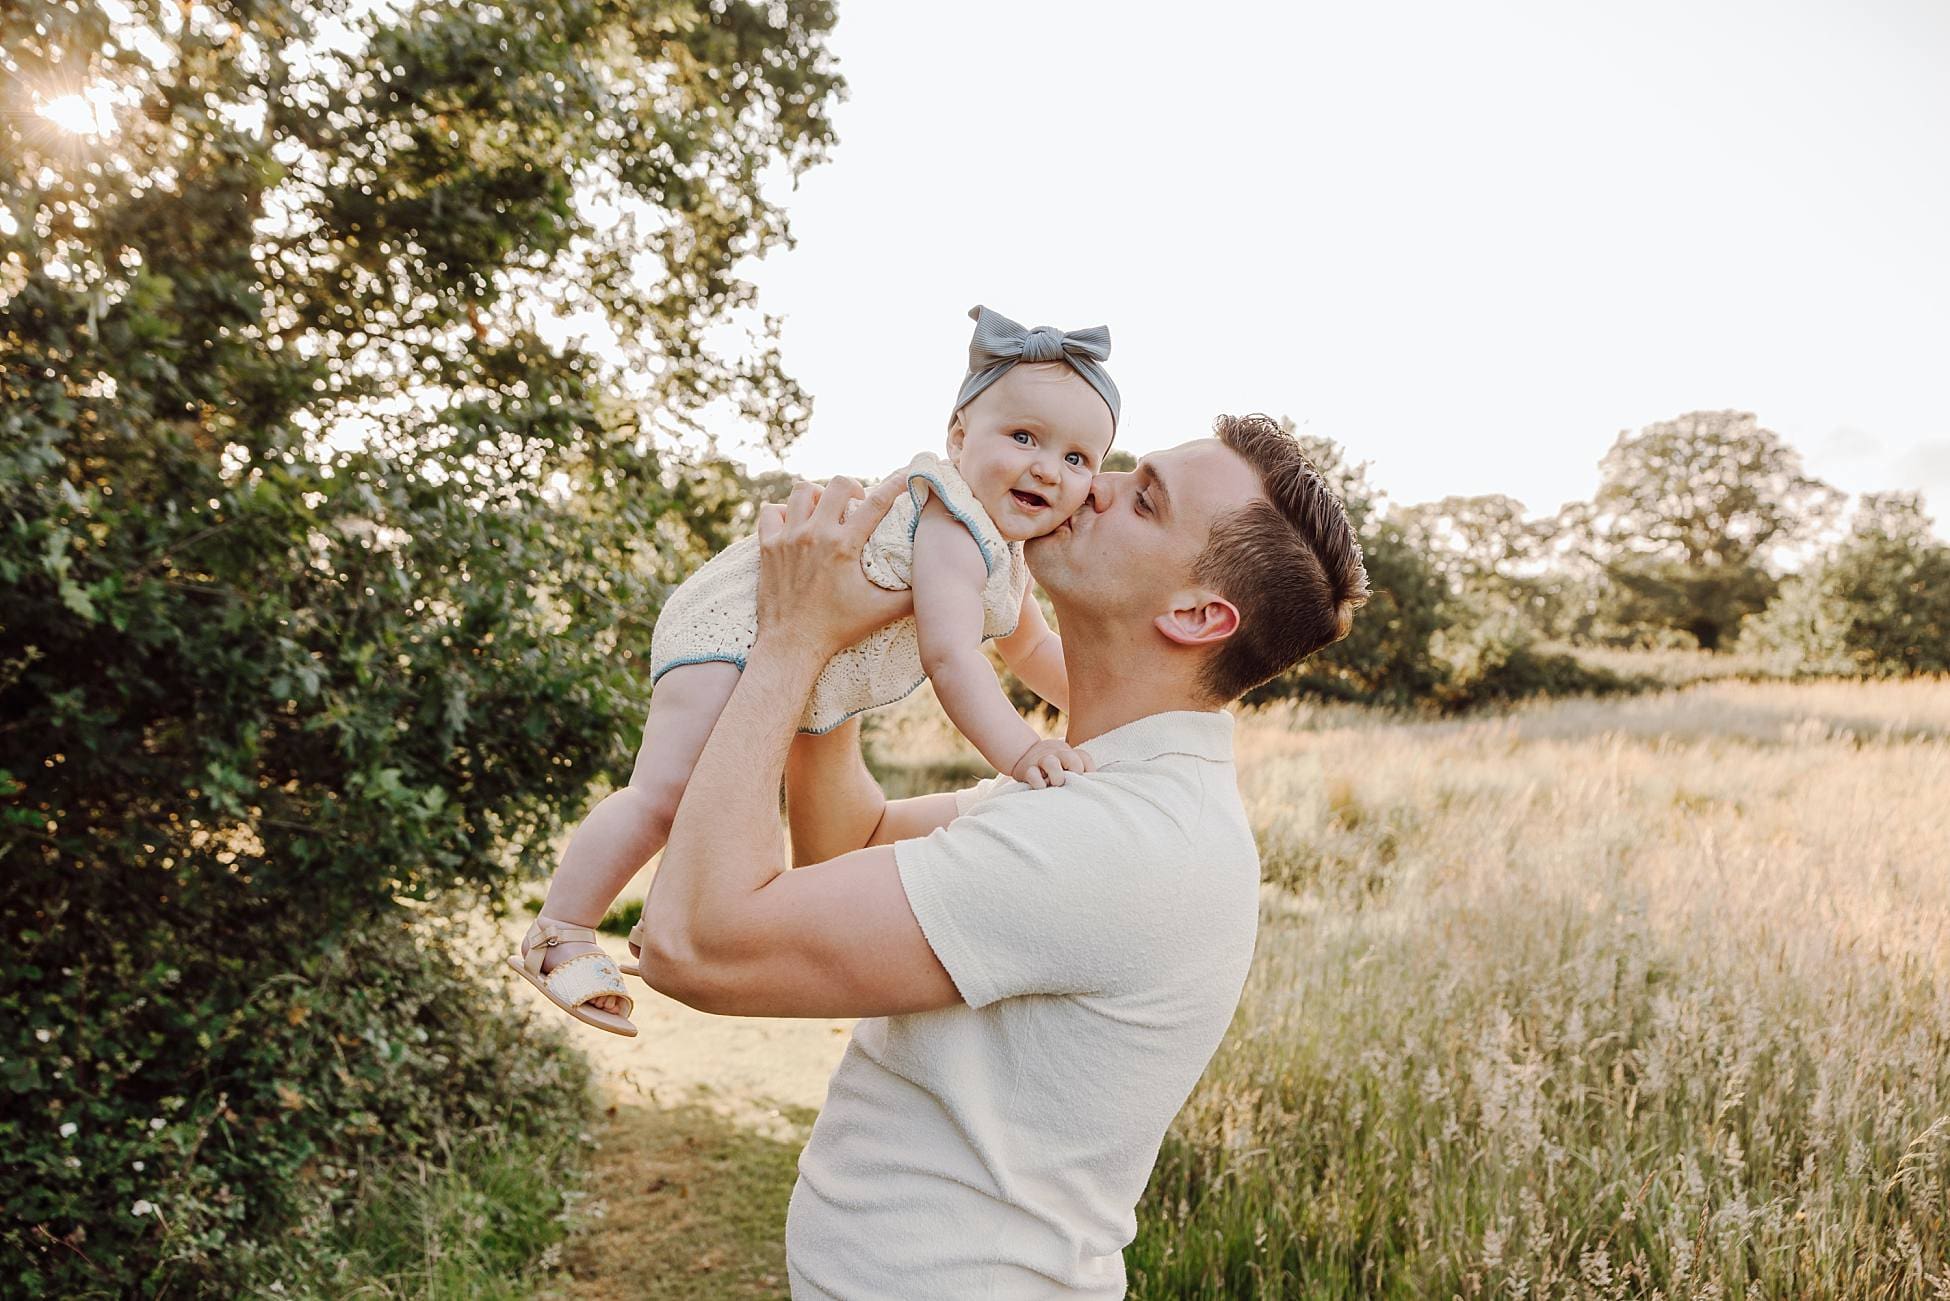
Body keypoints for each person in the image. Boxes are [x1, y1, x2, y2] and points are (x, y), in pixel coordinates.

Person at [633, 412, 1370, 1298]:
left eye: (1142, 499)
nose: (1089, 480)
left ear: (1196, 614)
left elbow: (693, 943)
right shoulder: (1102, 786)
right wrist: (848, 631)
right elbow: (850, 846)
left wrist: (791, 639)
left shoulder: (1110, 844)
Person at [509, 306, 1121, 1036]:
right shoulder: (954, 521)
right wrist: (1023, 751)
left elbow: (1032, 652)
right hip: (738, 626)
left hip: (784, 646)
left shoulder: (1005, 557)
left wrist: (1110, 718)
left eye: (1078, 458)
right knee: (668, 793)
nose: (1048, 468)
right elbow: (952, 656)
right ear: (960, 436)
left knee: (733, 803)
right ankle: (561, 932)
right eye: (1024, 437)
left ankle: (674, 907)